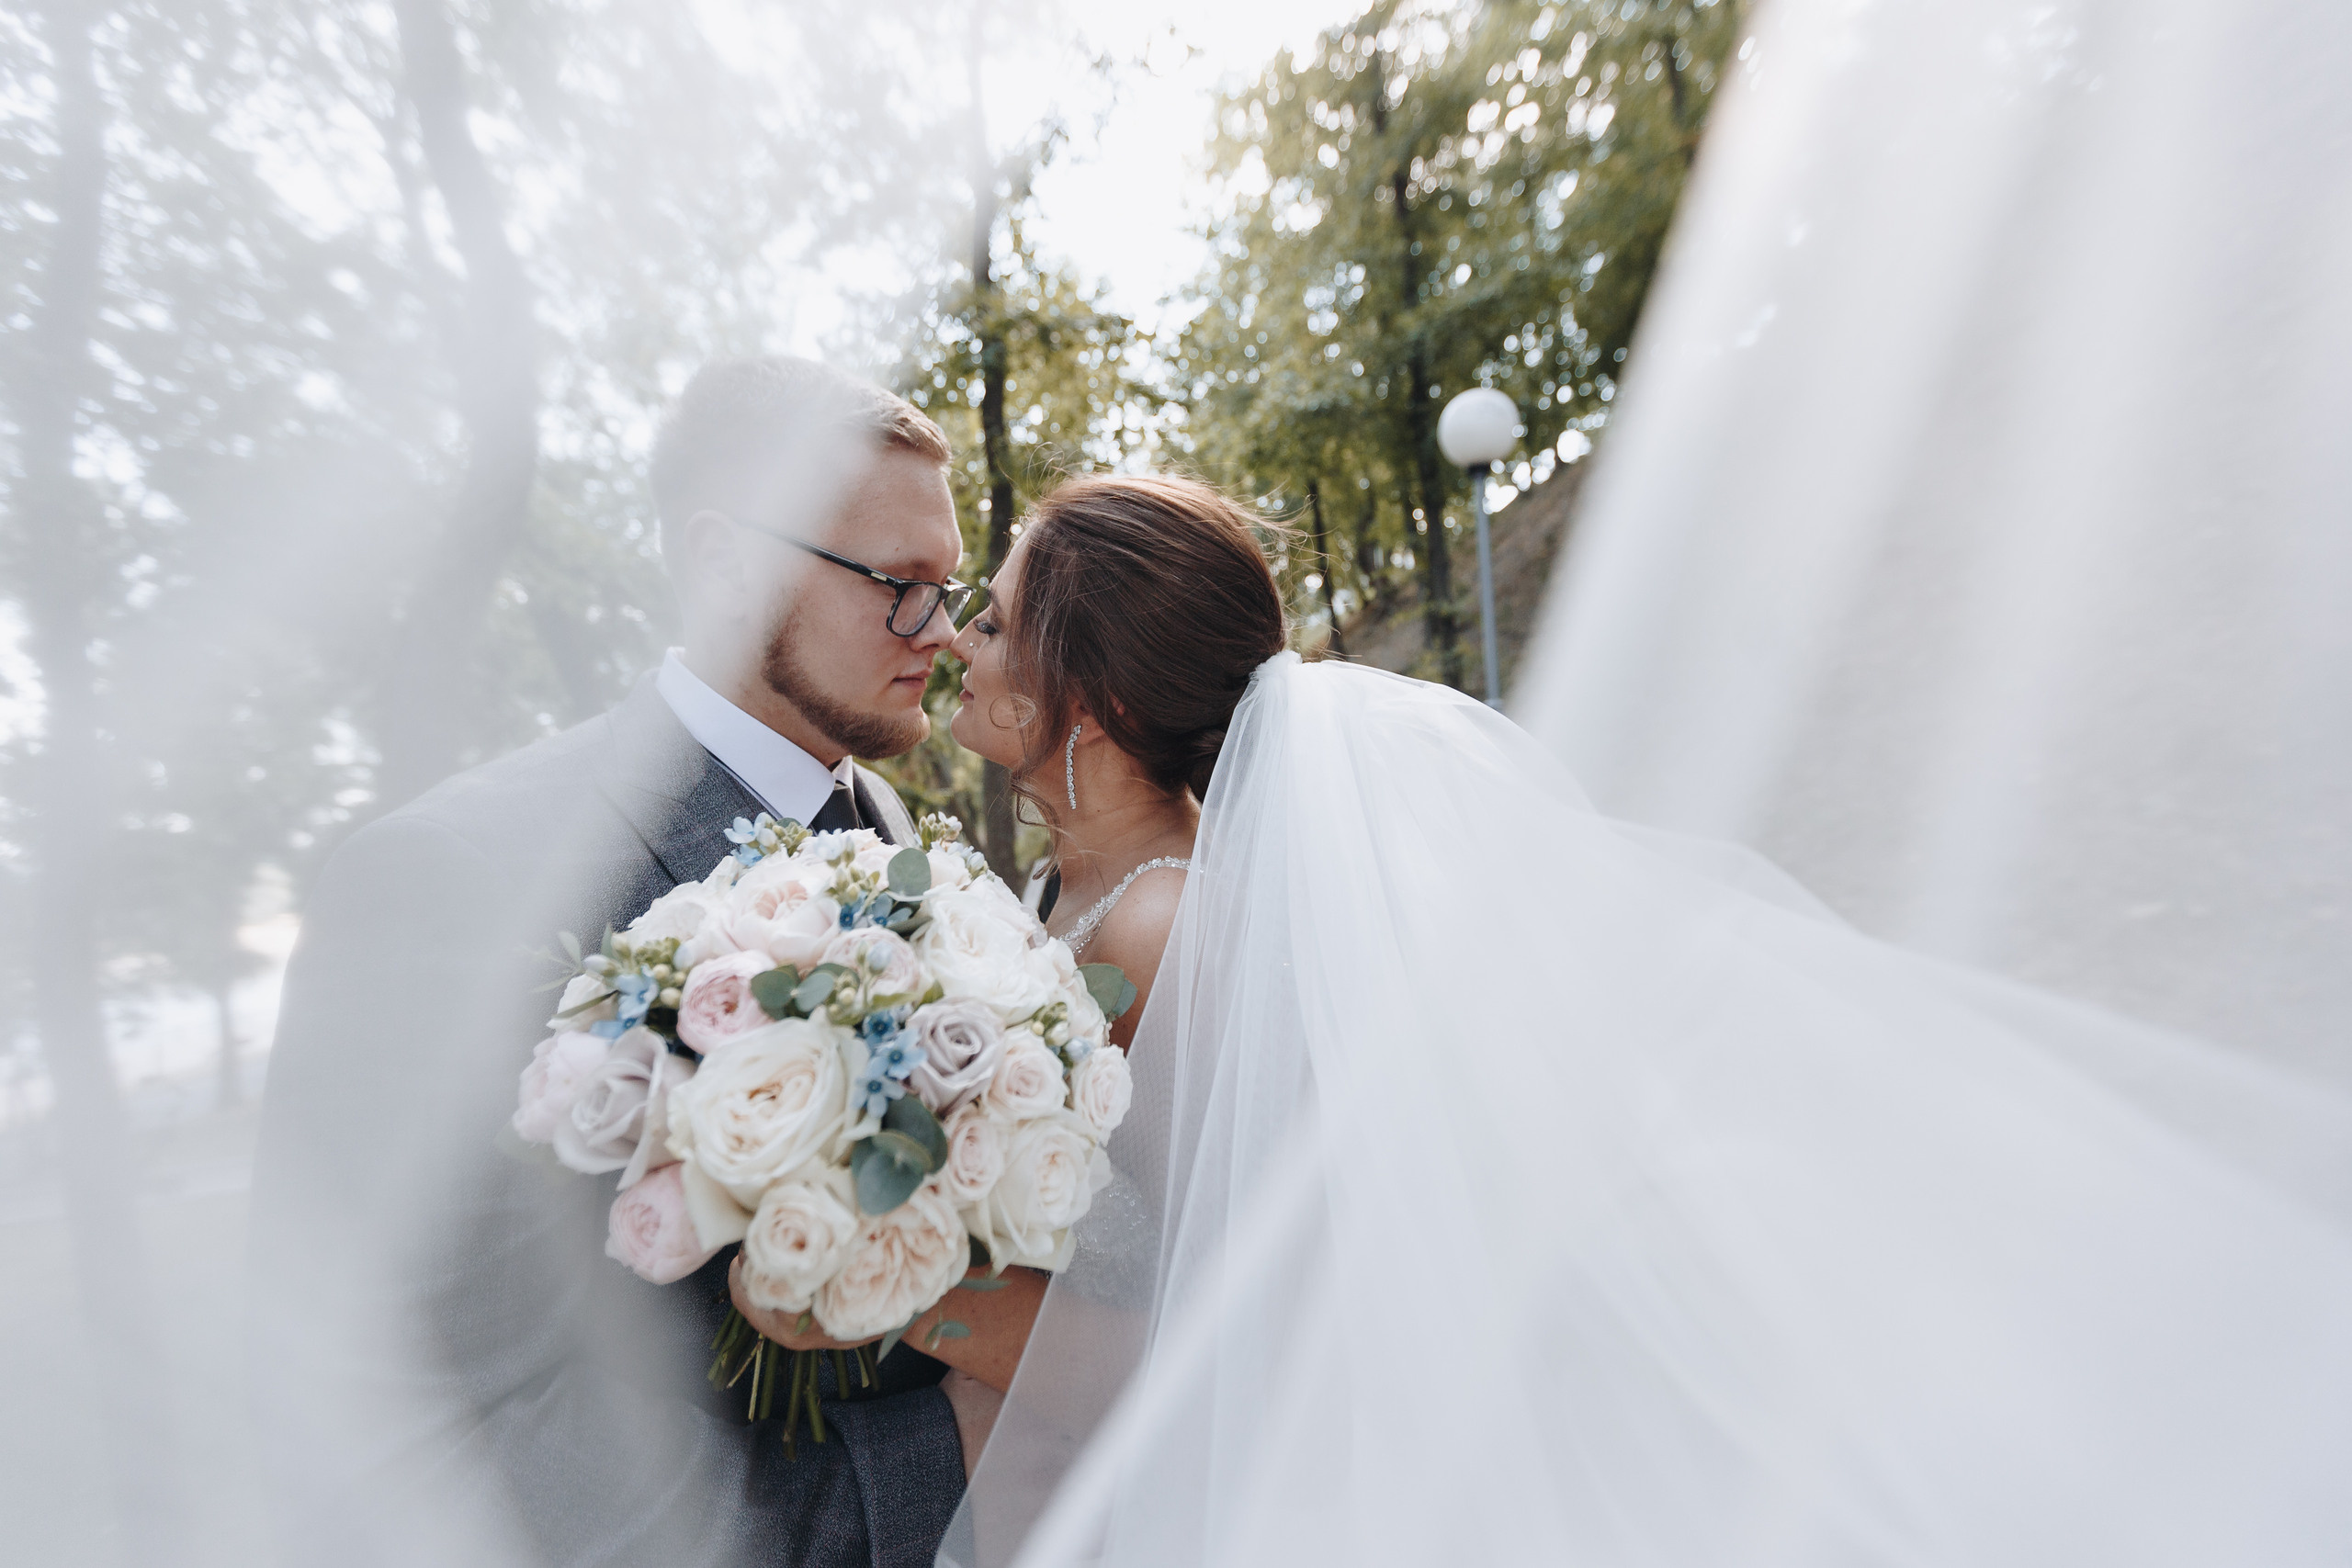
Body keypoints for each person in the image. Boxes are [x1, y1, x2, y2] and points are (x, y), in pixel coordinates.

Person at [727, 469, 2352, 1568]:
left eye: (997, 614)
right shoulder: (1072, 925)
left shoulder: (1158, 930)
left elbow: (1253, 1330)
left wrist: (897, 1291)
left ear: (1093, 696)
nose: (961, 637)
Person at [251, 356, 989, 1567]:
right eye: (898, 586)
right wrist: (936, 1468)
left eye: (946, 586)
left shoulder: (893, 831)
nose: (944, 631)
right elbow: (421, 1411)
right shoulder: (454, 875)